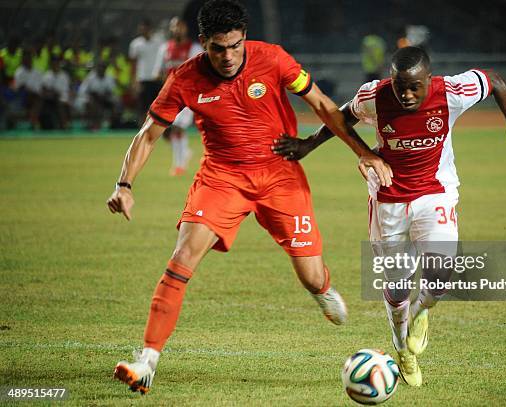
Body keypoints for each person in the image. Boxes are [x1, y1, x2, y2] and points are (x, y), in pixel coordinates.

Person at [106, 0, 391, 395]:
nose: (228, 56)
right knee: (182, 258)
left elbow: (324, 106)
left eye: (235, 45)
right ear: (202, 42)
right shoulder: (184, 78)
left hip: (280, 176)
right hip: (222, 178)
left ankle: (322, 290)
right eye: (218, 48)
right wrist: (124, 184)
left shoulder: (273, 59)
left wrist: (364, 151)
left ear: (245, 37)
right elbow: (148, 134)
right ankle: (147, 361)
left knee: (310, 276)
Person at [273, 46, 506, 386]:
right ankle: (402, 346)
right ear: (391, 80)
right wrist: (313, 144)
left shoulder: (452, 92)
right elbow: (342, 116)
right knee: (397, 289)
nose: (407, 94)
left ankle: (422, 313)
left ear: (429, 80)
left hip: (435, 193)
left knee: (440, 274)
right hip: (389, 201)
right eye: (401, 86)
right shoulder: (375, 96)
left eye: (415, 86)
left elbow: (496, 81)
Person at [152, 16, 203, 176]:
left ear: (185, 28)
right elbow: (157, 72)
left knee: (177, 128)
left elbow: (201, 71)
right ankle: (185, 153)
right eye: (174, 26)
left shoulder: (194, 48)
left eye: (180, 26)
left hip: (188, 96)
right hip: (170, 96)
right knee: (166, 131)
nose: (177, 29)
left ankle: (179, 165)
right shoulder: (164, 48)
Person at [129, 18, 164, 124]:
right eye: (141, 28)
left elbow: (164, 59)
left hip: (157, 79)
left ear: (150, 29)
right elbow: (133, 65)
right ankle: (142, 130)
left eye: (145, 28)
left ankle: (158, 128)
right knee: (143, 108)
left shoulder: (160, 41)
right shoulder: (135, 44)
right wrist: (133, 82)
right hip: (143, 79)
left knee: (159, 106)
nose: (143, 30)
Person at [77, 62, 119, 130]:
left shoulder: (109, 77)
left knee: (115, 103)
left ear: (105, 69)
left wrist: (103, 96)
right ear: (97, 69)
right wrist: (95, 96)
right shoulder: (90, 77)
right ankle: (93, 125)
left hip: (104, 99)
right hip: (91, 99)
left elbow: (111, 92)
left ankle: (113, 125)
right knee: (92, 103)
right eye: (100, 67)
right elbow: (83, 91)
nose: (101, 69)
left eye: (103, 68)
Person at [13, 50, 43, 129]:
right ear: (23, 60)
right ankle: (34, 122)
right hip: (22, 97)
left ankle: (33, 121)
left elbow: (40, 87)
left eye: (29, 58)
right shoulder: (19, 72)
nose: (27, 60)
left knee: (38, 98)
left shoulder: (37, 72)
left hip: (37, 96)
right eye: (25, 59)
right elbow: (18, 88)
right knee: (33, 96)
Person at [41, 55, 71, 129]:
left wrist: (69, 99)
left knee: (63, 102)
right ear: (51, 64)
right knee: (57, 101)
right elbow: (44, 90)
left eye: (57, 62)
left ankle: (65, 124)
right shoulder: (46, 76)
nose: (55, 64)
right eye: (54, 63)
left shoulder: (65, 75)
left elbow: (68, 90)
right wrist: (53, 93)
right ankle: (64, 125)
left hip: (64, 99)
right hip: (50, 100)